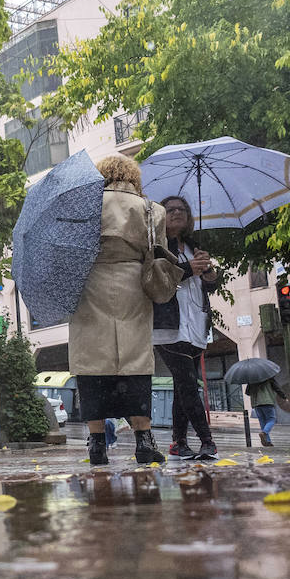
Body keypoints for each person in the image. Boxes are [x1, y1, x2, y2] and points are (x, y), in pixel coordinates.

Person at [70, 155, 168, 466]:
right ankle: (144, 440)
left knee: (91, 363)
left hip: (90, 284)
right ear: (133, 176)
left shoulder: (84, 207)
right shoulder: (152, 209)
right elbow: (160, 253)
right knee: (136, 360)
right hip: (133, 285)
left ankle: (97, 443)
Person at [152, 194, 220, 460]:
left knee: (183, 388)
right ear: (161, 216)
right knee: (189, 384)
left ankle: (178, 442)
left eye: (182, 209)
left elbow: (206, 285)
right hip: (169, 325)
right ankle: (207, 440)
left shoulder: (194, 246)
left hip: (196, 323)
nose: (177, 213)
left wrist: (210, 275)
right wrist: (189, 268)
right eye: (170, 210)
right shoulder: (157, 246)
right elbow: (159, 276)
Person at [247, 376, 286, 447]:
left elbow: (247, 392)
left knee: (262, 422)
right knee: (272, 419)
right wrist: (284, 397)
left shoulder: (251, 379)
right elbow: (277, 388)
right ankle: (264, 433)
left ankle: (267, 441)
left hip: (256, 403)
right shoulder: (269, 377)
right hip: (267, 402)